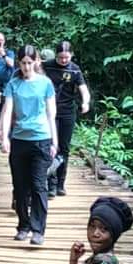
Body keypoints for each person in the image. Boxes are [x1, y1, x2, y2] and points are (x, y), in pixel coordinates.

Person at [0, 45, 57, 246]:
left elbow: (51, 114)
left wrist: (54, 141)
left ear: (36, 62)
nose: (26, 67)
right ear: (19, 63)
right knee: (20, 186)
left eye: (30, 63)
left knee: (39, 185)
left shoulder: (45, 83)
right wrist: (5, 137)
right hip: (19, 140)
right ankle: (23, 226)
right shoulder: (13, 84)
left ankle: (38, 229)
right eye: (23, 63)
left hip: (41, 139)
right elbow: (8, 111)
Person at [43, 41, 91, 198]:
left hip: (67, 112)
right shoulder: (47, 66)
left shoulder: (74, 69)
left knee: (64, 148)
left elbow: (83, 89)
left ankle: (60, 184)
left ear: (71, 55)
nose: (63, 60)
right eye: (60, 57)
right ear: (56, 55)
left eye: (66, 57)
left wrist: (85, 102)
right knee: (51, 146)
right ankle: (51, 184)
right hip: (49, 112)